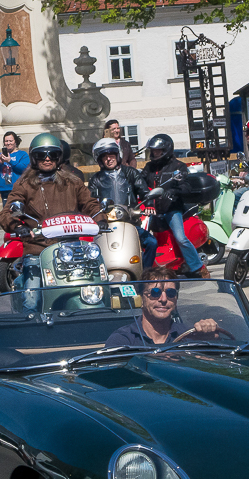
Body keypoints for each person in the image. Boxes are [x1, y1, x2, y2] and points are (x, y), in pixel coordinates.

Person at [0, 133, 103, 304]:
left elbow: (89, 203)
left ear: (59, 157)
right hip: (38, 250)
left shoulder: (72, 182)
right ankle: (31, 321)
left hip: (70, 248)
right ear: (34, 158)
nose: (47, 159)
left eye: (52, 155)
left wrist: (100, 218)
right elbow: (7, 212)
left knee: (95, 290)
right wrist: (18, 226)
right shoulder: (24, 185)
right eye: (42, 155)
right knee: (31, 299)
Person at [139, 133, 210, 279]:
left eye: (158, 150)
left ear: (166, 150)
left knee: (180, 237)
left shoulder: (178, 166)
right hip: (152, 209)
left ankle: (199, 267)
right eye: (153, 150)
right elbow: (140, 183)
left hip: (171, 208)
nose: (155, 153)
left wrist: (173, 191)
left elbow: (186, 186)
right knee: (140, 235)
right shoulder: (149, 167)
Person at [87, 138, 157, 268]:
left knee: (151, 243)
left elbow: (144, 191)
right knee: (91, 249)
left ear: (117, 155)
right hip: (105, 225)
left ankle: (145, 272)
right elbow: (90, 201)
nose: (109, 159)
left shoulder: (130, 172)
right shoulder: (96, 179)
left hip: (130, 223)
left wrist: (149, 204)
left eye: (111, 155)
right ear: (100, 160)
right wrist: (96, 217)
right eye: (105, 157)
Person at [105, 266, 218, 346]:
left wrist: (210, 338)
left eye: (170, 293)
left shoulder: (189, 336)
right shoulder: (123, 340)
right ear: (142, 299)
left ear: (176, 299)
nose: (163, 299)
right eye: (155, 292)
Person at [0, 131, 29, 208]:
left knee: (19, 211)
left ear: (15, 142)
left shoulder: (22, 154)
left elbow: (25, 169)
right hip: (5, 189)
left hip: (19, 189)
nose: (8, 143)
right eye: (6, 141)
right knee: (7, 212)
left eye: (11, 141)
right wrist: (0, 163)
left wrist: (10, 161)